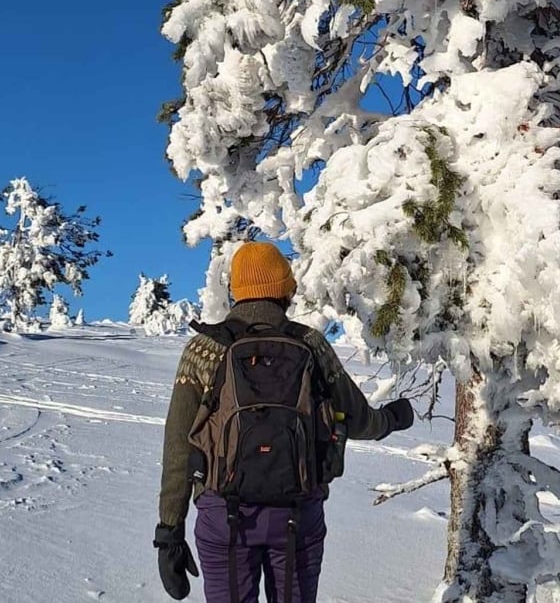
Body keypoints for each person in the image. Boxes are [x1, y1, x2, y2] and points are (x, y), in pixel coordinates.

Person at [154, 242, 416, 602]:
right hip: (297, 514)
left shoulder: (203, 350)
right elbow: (359, 419)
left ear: (235, 290)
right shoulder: (310, 344)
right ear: (285, 288)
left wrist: (169, 530)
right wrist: (391, 419)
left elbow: (179, 446)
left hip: (224, 517)